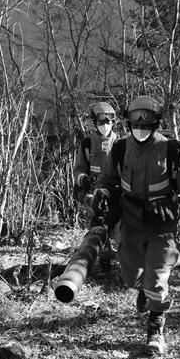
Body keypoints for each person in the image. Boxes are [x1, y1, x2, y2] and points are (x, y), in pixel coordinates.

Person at [93, 95, 180, 356]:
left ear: (156, 124)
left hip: (161, 222)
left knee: (158, 276)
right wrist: (102, 194)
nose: (140, 129)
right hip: (130, 220)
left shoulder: (173, 150)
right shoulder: (120, 149)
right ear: (128, 124)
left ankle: (155, 331)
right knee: (131, 277)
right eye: (136, 124)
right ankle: (143, 289)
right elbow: (108, 180)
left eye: (146, 125)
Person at [72, 102, 120, 273]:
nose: (105, 125)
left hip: (115, 192)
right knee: (97, 224)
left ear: (113, 122)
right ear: (94, 123)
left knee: (118, 225)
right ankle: (104, 262)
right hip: (93, 193)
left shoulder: (120, 144)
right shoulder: (87, 144)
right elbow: (78, 169)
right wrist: (84, 180)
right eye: (101, 122)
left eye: (108, 121)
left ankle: (125, 261)